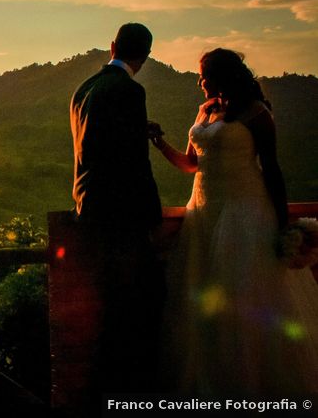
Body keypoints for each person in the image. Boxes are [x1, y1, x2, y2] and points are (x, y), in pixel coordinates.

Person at [149, 48, 318, 394]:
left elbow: (271, 168)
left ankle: (255, 384)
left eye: (203, 75)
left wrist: (283, 222)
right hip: (204, 213)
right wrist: (159, 142)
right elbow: (190, 165)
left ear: (223, 76)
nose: (199, 81)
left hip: (244, 211)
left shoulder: (257, 113)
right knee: (205, 299)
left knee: (243, 297)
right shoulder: (206, 111)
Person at [70, 22, 165, 400]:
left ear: (112, 46)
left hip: (88, 207)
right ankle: (127, 394)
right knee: (137, 305)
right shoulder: (130, 90)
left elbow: (98, 142)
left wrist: (136, 128)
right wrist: (151, 214)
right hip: (121, 217)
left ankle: (106, 395)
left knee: (108, 305)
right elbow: (133, 164)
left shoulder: (84, 89)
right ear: (146, 56)